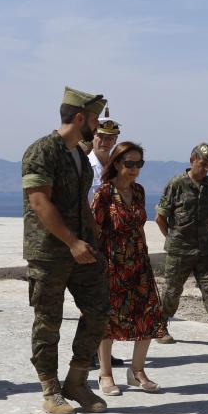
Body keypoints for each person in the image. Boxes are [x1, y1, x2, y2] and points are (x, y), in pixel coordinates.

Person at [21, 86, 110, 414]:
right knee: (48, 322)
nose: (98, 126)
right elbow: (39, 202)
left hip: (82, 250)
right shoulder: (42, 151)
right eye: (94, 119)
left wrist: (92, 241)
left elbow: (82, 203)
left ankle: (76, 380)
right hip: (50, 252)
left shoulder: (79, 156)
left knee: (100, 310)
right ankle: (51, 390)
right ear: (78, 118)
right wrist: (71, 242)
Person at [91, 141, 167, 395]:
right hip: (111, 264)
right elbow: (95, 230)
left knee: (148, 314)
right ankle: (105, 374)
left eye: (139, 164)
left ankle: (137, 371)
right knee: (108, 320)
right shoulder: (104, 193)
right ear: (116, 163)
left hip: (138, 262)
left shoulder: (139, 191)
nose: (135, 169)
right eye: (129, 163)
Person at [154, 143, 208, 349]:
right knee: (172, 290)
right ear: (192, 160)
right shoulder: (176, 184)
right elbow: (160, 217)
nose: (205, 169)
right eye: (202, 164)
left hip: (205, 250)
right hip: (180, 250)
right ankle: (161, 325)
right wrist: (173, 238)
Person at [86, 110, 126, 368]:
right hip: (89, 236)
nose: (106, 142)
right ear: (93, 136)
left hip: (110, 238)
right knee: (90, 297)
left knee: (108, 297)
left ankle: (103, 352)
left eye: (111, 138)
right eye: (101, 136)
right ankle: (89, 351)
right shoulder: (82, 162)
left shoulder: (116, 167)